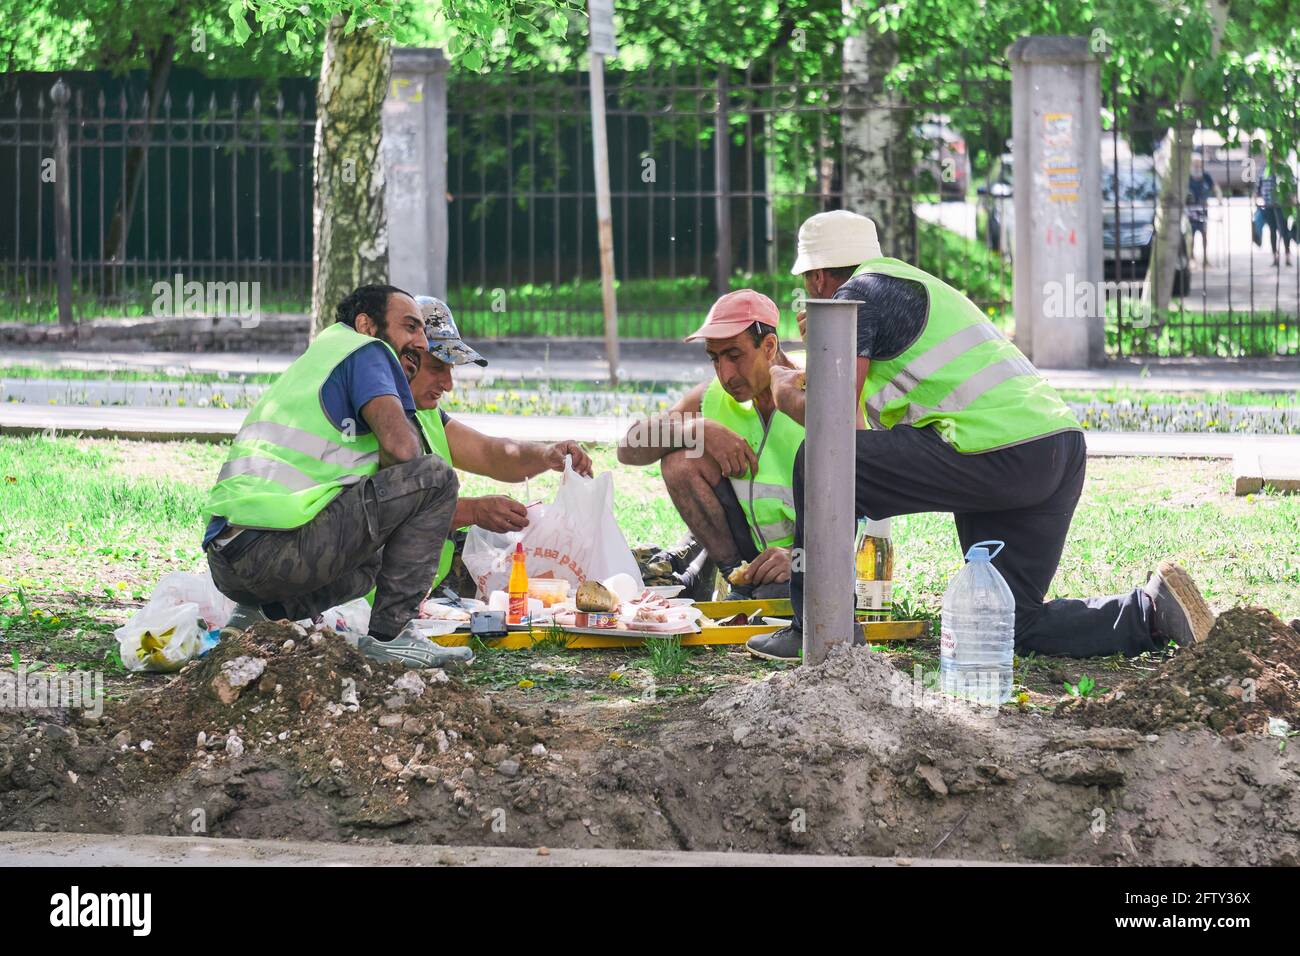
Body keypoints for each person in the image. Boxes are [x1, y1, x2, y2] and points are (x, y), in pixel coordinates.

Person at [745, 210, 1216, 662]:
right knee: (1006, 620)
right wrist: (813, 365)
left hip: (994, 454)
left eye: (807, 283)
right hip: (1055, 448)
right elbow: (858, 436)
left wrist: (784, 389)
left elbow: (833, 437)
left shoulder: (856, 295)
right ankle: (1151, 612)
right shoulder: (905, 284)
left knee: (817, 460)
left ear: (816, 279)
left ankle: (817, 631)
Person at [204, 284, 463, 668]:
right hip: (273, 552)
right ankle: (392, 637)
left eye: (423, 331)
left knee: (371, 558)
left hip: (228, 562)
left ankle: (257, 618)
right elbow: (404, 452)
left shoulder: (323, 356)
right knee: (437, 477)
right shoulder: (368, 352)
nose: (422, 343)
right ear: (366, 324)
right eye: (411, 327)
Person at [616, 289, 804, 599]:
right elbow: (629, 446)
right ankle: (735, 579)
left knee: (782, 598)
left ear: (769, 346)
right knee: (679, 460)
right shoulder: (714, 397)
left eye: (734, 355)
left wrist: (800, 557)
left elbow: (858, 497)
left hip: (814, 554)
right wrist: (696, 430)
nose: (725, 374)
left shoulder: (815, 385)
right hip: (753, 551)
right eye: (715, 359)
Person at [404, 296, 593, 594]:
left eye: (451, 368)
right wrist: (473, 512)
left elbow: (492, 454)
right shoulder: (375, 417)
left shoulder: (425, 414)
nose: (449, 383)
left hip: (419, 586)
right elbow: (387, 512)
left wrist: (547, 455)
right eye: (437, 367)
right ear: (404, 358)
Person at [1186, 157, 1218, 267]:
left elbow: (1214, 187)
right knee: (1191, 234)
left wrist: (1219, 197)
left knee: (1204, 233)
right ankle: (1191, 257)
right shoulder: (1188, 177)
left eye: (1199, 164)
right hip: (1190, 210)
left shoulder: (1206, 176)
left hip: (1203, 209)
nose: (1197, 166)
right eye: (1195, 164)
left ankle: (1205, 259)